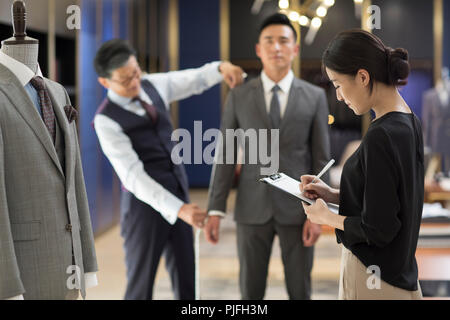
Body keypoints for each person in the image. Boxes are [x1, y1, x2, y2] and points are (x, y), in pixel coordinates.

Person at [93, 39, 245, 300]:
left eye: (136, 72)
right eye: (125, 80)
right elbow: (134, 176)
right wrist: (179, 209)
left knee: (187, 278)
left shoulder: (150, 85)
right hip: (144, 209)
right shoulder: (105, 121)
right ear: (105, 82)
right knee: (141, 286)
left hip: (178, 190)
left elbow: (191, 80)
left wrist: (220, 68)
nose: (135, 82)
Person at [205, 13, 330, 300]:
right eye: (269, 42)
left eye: (284, 41)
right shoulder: (238, 96)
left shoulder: (314, 96)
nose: (276, 47)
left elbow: (321, 158)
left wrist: (319, 212)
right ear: (258, 49)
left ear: (295, 49)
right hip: (251, 207)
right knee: (250, 291)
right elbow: (224, 155)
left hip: (299, 209)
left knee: (300, 289)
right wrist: (215, 208)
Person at [301, 29, 424, 300]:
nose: (340, 97)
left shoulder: (381, 134)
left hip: (374, 278)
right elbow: (390, 202)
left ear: (363, 77)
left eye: (337, 85)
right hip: (401, 275)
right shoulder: (409, 122)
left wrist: (326, 218)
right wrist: (332, 195)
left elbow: (379, 229)